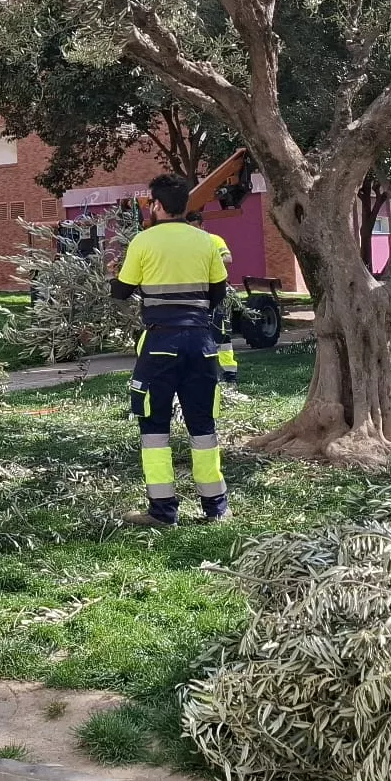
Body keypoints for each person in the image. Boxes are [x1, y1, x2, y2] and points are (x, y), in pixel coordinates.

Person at [112, 175, 230, 526]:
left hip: (160, 342)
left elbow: (121, 291)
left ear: (158, 205)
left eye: (150, 203)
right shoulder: (206, 242)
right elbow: (219, 293)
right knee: (203, 426)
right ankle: (216, 509)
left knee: (154, 428)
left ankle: (163, 512)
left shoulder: (143, 241)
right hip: (200, 343)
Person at [184, 208, 242, 385]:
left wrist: (207, 258)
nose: (193, 231)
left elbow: (228, 258)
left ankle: (230, 373)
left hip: (217, 293)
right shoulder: (186, 244)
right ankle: (205, 373)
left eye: (196, 227)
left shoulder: (214, 240)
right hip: (197, 294)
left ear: (203, 225)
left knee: (221, 334)